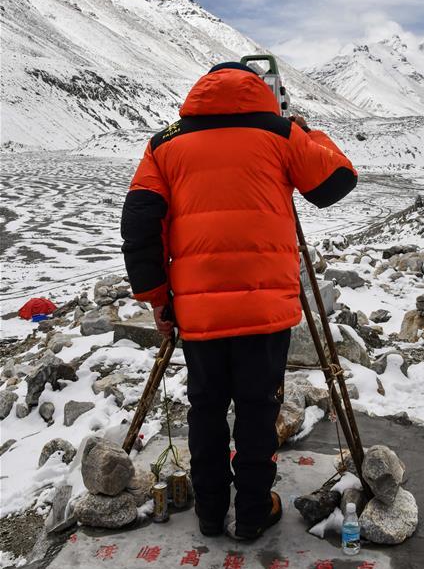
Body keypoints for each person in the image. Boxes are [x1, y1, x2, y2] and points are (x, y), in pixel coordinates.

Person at [120, 61, 357, 541]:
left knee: (205, 409)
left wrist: (157, 299)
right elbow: (336, 183)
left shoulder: (165, 142)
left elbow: (140, 222)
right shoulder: (280, 132)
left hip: (199, 312)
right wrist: (307, 130)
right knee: (255, 410)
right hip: (264, 315)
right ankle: (251, 513)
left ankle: (210, 514)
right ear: (262, 92)